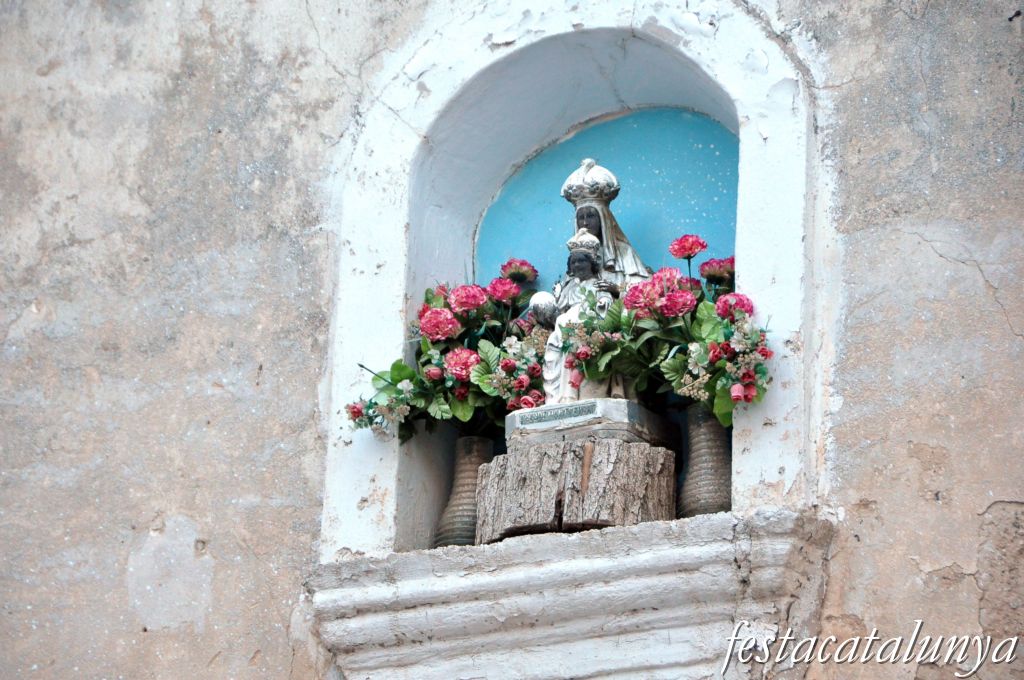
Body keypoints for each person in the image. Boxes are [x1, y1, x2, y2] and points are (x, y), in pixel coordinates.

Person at [541, 232, 615, 403]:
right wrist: (557, 298)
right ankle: (563, 394)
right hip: (567, 326)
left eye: (581, 261)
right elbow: (559, 309)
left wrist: (600, 306)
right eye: (573, 262)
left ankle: (574, 393)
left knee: (576, 337)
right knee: (560, 337)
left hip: (588, 321)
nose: (577, 265)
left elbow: (605, 301)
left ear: (591, 264)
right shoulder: (570, 286)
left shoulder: (598, 283)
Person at [560, 158, 651, 291]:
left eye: (591, 216)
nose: (585, 222)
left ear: (603, 219)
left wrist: (616, 289)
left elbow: (643, 289)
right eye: (581, 217)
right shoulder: (576, 257)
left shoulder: (624, 251)